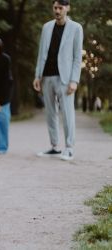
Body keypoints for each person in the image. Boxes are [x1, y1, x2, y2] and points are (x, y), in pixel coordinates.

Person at [33, 0, 83, 161]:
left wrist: (74, 80)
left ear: (67, 8)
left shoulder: (76, 28)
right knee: (50, 113)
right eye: (55, 7)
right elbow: (41, 53)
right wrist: (37, 76)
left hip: (65, 78)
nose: (57, 11)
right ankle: (54, 146)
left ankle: (69, 148)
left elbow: (77, 57)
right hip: (46, 76)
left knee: (67, 114)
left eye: (60, 8)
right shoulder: (46, 27)